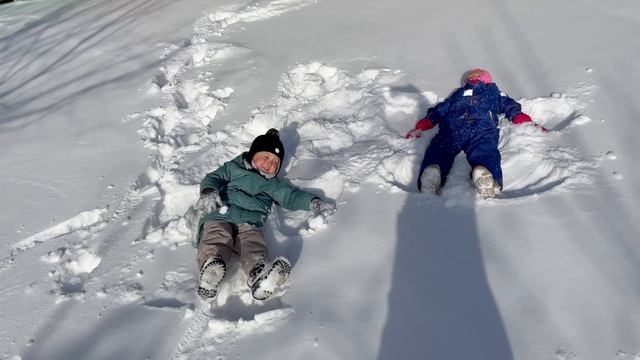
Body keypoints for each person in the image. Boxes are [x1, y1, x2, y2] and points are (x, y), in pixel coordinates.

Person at [188, 128, 332, 300]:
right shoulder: (234, 167)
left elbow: (291, 197)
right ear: (253, 154)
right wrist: (209, 190)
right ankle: (210, 270)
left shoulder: (274, 185)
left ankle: (260, 273)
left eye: (275, 163)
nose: (270, 164)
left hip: (250, 222)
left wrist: (310, 201)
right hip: (221, 213)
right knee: (217, 235)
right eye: (266, 157)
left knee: (253, 245)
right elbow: (213, 177)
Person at [406, 68, 542, 198]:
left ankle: (489, 179)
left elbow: (509, 105)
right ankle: (432, 176)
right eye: (470, 76)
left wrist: (520, 118)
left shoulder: (493, 92)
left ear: (487, 80)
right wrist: (426, 122)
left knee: (485, 151)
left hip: (481, 128)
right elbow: (441, 109)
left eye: (478, 75)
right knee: (438, 149)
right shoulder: (456, 94)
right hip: (452, 128)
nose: (473, 77)